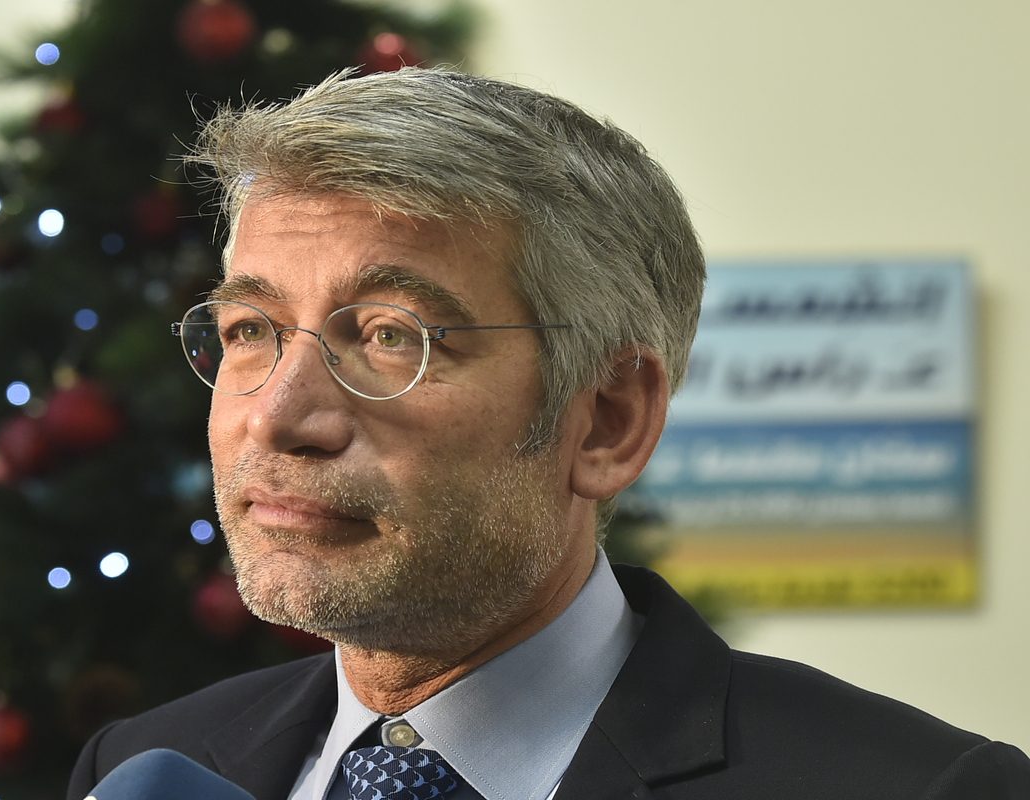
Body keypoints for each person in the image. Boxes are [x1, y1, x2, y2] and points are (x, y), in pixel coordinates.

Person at [67, 67, 1030, 800]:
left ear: (608, 421)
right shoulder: (147, 767)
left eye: (391, 335)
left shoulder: (921, 788)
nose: (279, 416)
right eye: (249, 333)